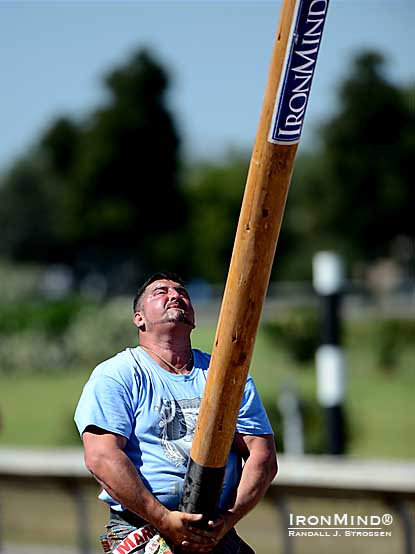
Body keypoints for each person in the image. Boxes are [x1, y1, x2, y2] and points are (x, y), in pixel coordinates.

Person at [74, 272, 277, 554]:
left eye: (182, 293)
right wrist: (163, 518)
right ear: (139, 318)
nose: (174, 295)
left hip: (214, 531)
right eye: (160, 292)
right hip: (143, 526)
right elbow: (101, 457)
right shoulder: (118, 375)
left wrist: (229, 518)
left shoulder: (227, 375)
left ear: (193, 318)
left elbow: (262, 455)